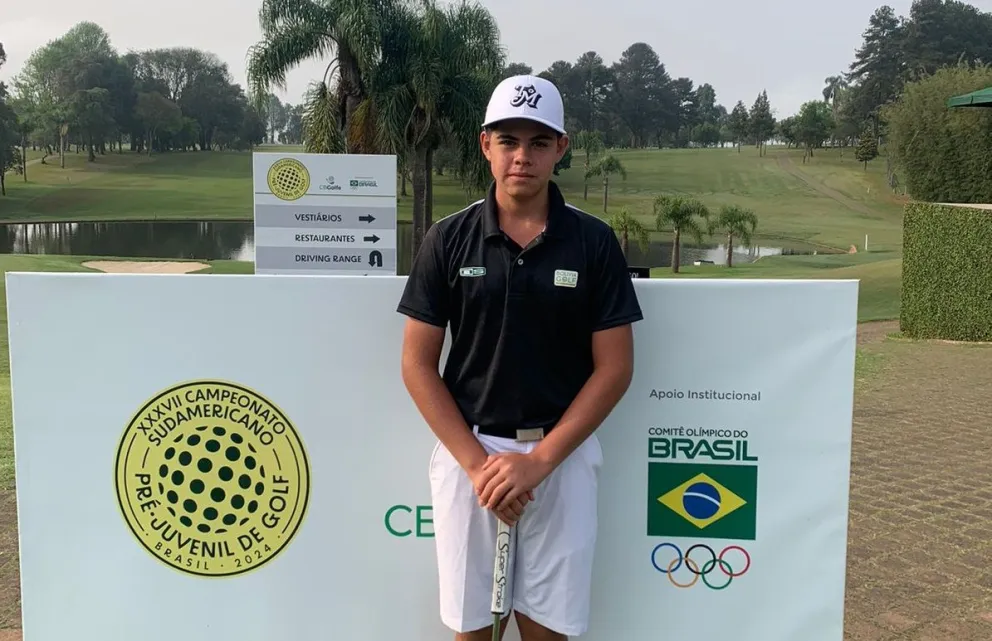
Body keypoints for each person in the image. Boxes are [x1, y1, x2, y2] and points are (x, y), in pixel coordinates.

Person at [396, 74, 643, 641]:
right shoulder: (448, 239)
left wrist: (538, 462)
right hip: (471, 455)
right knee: (472, 631)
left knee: (548, 631)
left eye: (538, 142)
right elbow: (416, 365)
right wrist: (483, 468)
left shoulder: (593, 241)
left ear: (561, 147)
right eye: (508, 140)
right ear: (486, 145)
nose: (521, 157)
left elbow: (615, 367)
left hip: (561, 455)